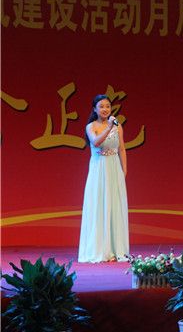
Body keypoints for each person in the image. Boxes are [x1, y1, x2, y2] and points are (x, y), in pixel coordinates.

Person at [78, 94, 129, 262]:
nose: (105, 109)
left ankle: (116, 249)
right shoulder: (91, 126)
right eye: (101, 106)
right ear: (95, 109)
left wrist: (124, 171)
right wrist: (109, 127)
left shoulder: (118, 126)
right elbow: (96, 142)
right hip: (99, 170)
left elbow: (122, 149)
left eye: (108, 106)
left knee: (114, 206)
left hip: (114, 169)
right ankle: (100, 249)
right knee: (99, 205)